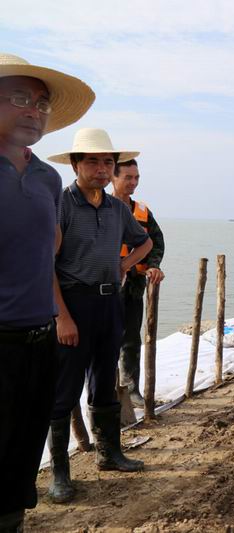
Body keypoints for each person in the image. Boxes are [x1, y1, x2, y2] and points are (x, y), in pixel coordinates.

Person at [0, 52, 94, 532]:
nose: (33, 111)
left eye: (41, 103)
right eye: (19, 98)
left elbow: (50, 243)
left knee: (22, 450)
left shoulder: (46, 177)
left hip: (38, 338)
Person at [48, 128, 152, 503]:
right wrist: (62, 317)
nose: (101, 168)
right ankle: (60, 474)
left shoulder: (117, 209)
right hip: (73, 304)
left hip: (110, 304)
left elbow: (145, 242)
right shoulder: (61, 204)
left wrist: (123, 264)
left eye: (108, 162)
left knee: (105, 379)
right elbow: (46, 264)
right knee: (64, 388)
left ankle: (109, 454)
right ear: (75, 165)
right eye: (92, 161)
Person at [110, 158, 166, 407]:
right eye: (128, 178)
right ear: (113, 177)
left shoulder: (142, 211)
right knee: (105, 339)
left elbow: (156, 241)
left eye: (137, 178)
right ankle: (107, 390)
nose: (133, 183)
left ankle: (131, 389)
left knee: (131, 338)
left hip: (133, 286)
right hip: (105, 286)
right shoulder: (100, 207)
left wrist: (153, 265)